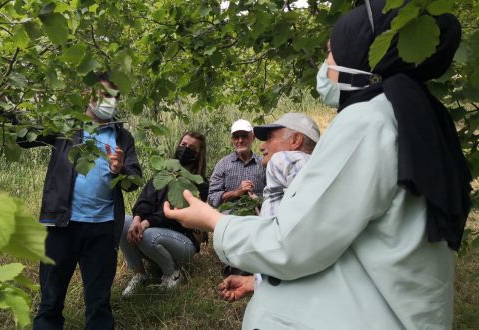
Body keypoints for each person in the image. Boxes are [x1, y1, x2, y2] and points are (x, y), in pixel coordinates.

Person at [164, 1, 471, 328]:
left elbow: (292, 243)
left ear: (357, 53)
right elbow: (349, 245)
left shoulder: (367, 123)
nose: (325, 67)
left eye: (330, 54)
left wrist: (212, 221)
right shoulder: (415, 118)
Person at [26, 72, 143, 330]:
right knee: (50, 301)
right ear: (86, 96)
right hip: (61, 225)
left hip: (102, 229)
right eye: (101, 95)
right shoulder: (66, 127)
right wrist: (1, 113)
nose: (107, 101)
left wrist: (119, 169)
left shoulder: (123, 137)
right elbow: (25, 137)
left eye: (112, 97)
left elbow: (134, 180)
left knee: (99, 303)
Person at [219, 112, 320, 301]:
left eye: (270, 138)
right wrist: (255, 281)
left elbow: (310, 211)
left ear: (296, 140)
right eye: (236, 136)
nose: (262, 145)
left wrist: (211, 221)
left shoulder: (283, 159)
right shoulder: (223, 164)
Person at [119, 132, 208, 296]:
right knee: (122, 222)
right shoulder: (163, 174)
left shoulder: (199, 183)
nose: (185, 149)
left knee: (149, 234)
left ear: (198, 155)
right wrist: (137, 219)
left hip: (183, 240)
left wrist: (146, 223)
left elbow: (175, 214)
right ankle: (140, 273)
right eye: (183, 145)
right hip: (152, 230)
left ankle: (172, 273)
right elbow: (145, 199)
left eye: (192, 148)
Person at [207, 119, 265, 209]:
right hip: (230, 219)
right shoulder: (222, 165)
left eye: (244, 136)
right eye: (236, 137)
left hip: (259, 219)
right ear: (232, 140)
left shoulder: (264, 164)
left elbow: (274, 195)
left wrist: (258, 200)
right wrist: (236, 192)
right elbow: (212, 198)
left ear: (253, 138)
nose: (240, 140)